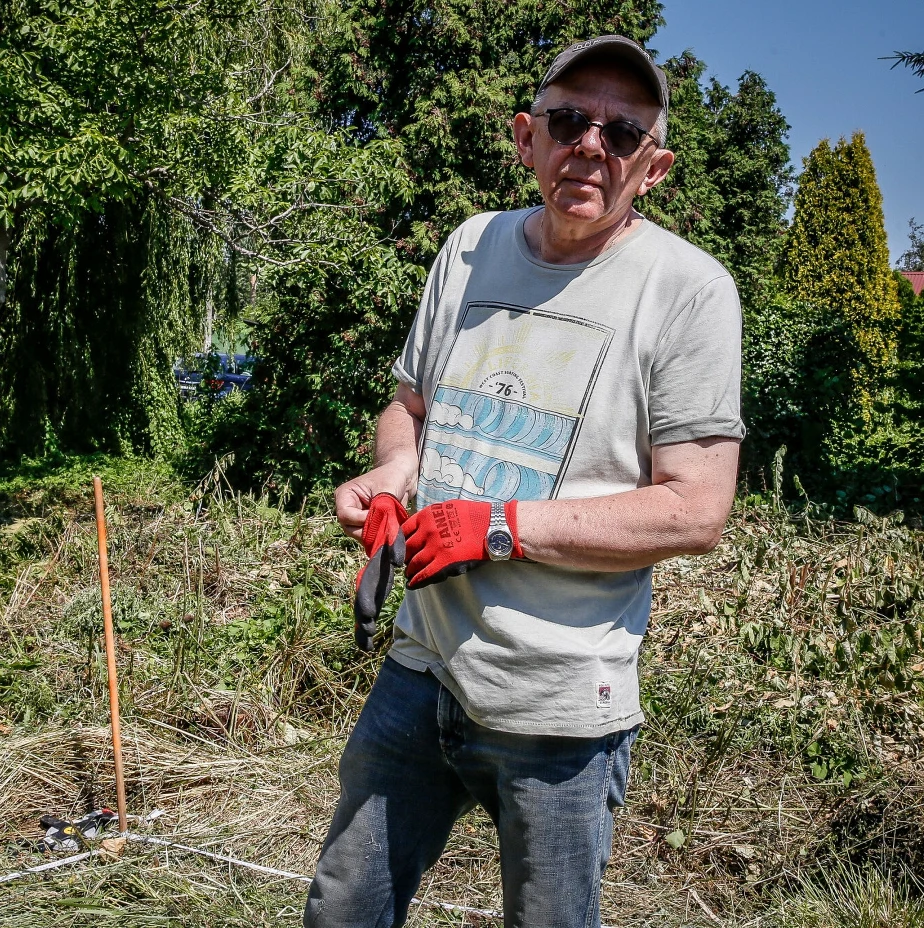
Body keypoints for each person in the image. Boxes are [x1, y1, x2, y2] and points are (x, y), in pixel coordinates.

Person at [305, 35, 745, 928]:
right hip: (420, 663)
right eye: (570, 120)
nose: (592, 146)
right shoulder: (471, 247)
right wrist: (395, 473)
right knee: (343, 909)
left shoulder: (689, 290)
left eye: (623, 135)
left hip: (560, 700)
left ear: (653, 168)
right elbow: (411, 408)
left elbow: (696, 509)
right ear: (525, 137)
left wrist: (499, 526)